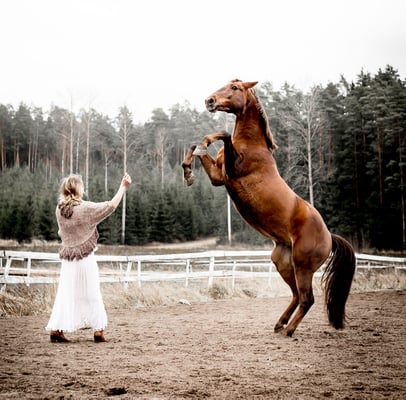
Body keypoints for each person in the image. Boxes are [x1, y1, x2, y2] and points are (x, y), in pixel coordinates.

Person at [46, 173, 132, 343]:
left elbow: (61, 233)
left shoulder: (59, 209)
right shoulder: (85, 208)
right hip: (85, 258)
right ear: (79, 189)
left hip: (68, 260)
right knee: (92, 292)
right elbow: (111, 206)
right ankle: (98, 331)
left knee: (65, 294)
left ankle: (56, 329)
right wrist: (123, 186)